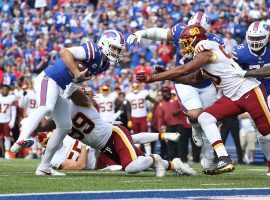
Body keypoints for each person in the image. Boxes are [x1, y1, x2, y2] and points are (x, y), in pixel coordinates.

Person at [136, 24, 270, 175]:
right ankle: (224, 158)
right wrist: (167, 74)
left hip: (249, 91)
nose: (183, 47)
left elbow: (185, 69)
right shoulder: (203, 54)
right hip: (233, 97)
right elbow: (193, 79)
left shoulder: (205, 49)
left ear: (195, 41)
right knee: (205, 118)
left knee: (266, 133)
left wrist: (153, 77)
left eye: (186, 43)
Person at [11, 29, 126, 176]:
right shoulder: (93, 51)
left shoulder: (104, 65)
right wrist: (77, 75)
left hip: (61, 88)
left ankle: (44, 167)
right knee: (47, 106)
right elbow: (65, 52)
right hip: (49, 79)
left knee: (65, 126)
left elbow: (75, 82)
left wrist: (71, 91)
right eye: (114, 47)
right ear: (105, 43)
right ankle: (21, 139)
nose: (116, 52)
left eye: (118, 49)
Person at [127, 12, 223, 167]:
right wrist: (142, 32)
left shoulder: (215, 42)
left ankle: (209, 155)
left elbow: (196, 75)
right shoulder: (181, 31)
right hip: (183, 80)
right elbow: (161, 33)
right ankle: (195, 125)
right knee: (195, 115)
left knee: (211, 120)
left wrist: (161, 75)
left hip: (204, 81)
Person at [35, 94, 195, 177]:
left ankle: (155, 158)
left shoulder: (78, 102)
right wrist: (27, 131)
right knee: (140, 162)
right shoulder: (58, 119)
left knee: (132, 167)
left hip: (114, 134)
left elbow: (85, 99)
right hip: (104, 147)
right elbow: (43, 125)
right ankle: (176, 165)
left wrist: (74, 89)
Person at [125, 82, 156, 154]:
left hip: (143, 117)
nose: (135, 89)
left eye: (137, 87)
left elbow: (154, 101)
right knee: (135, 137)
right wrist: (129, 120)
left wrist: (151, 112)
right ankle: (137, 155)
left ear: (139, 87)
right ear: (132, 88)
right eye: (134, 87)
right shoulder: (129, 95)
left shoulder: (144, 93)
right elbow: (128, 109)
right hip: (134, 118)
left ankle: (149, 154)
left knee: (145, 135)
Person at [0, 84, 16, 159]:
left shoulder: (11, 98)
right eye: (3, 89)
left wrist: (12, 120)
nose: (5, 91)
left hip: (6, 120)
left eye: (6, 90)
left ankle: (7, 152)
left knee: (7, 137)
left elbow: (13, 110)